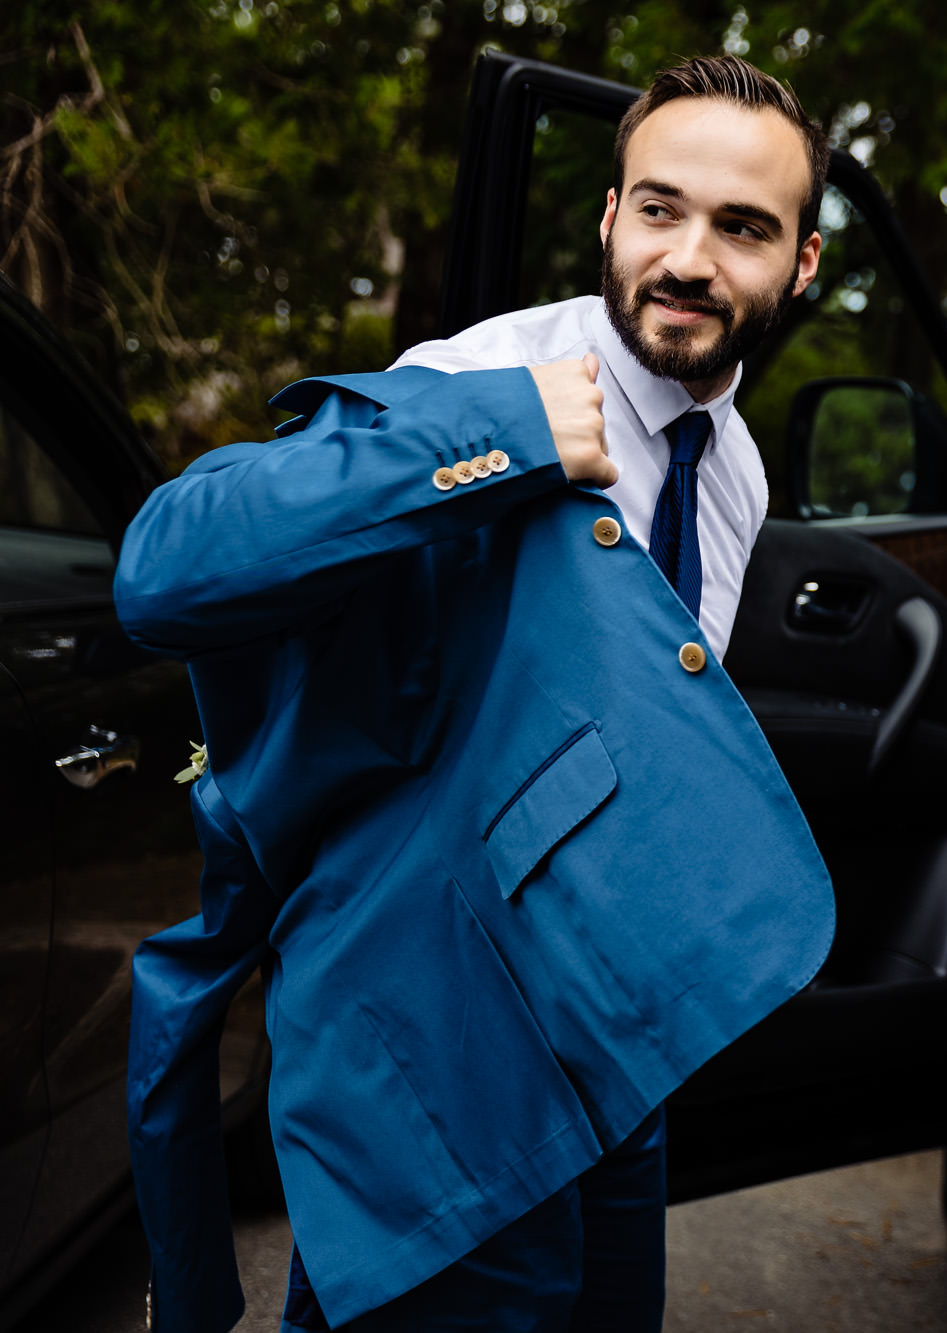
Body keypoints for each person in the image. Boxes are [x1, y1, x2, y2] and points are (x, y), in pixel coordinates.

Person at [117, 55, 835, 1333]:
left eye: (742, 228)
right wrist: (491, 437)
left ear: (803, 264)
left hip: (606, 1052)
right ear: (608, 217)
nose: (688, 260)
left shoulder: (736, 471)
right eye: (659, 210)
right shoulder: (474, 384)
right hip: (432, 1049)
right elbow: (167, 570)